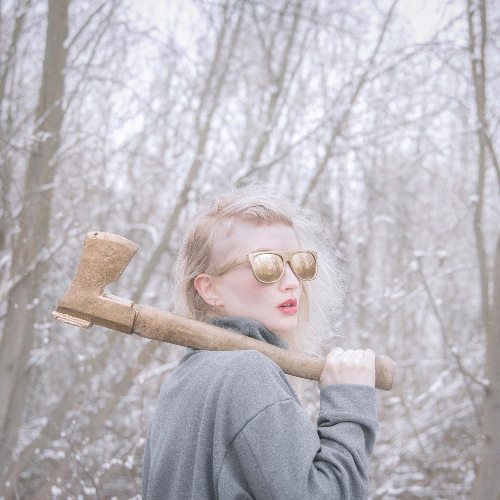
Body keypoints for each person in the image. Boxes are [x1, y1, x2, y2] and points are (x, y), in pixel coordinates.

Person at [141, 183, 378, 499]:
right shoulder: (247, 372)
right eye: (267, 264)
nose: (293, 283)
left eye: (299, 263)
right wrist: (349, 405)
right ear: (209, 289)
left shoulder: (183, 380)